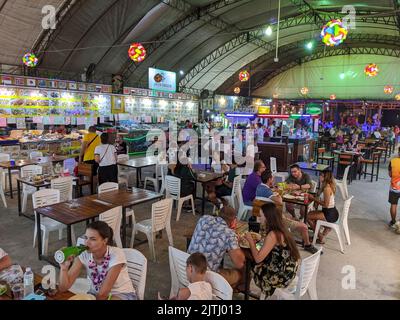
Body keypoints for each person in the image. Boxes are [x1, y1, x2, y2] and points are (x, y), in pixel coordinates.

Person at [58, 221, 137, 300]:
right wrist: (64, 268)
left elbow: (103, 294)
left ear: (105, 241)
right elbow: (63, 288)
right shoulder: (84, 254)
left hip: (120, 294)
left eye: (93, 239)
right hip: (95, 294)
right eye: (86, 237)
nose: (87, 242)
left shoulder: (116, 254)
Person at [243, 202, 300, 298]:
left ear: (268, 217)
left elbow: (258, 259)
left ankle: (253, 289)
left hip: (281, 275)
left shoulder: (273, 234)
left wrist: (250, 241)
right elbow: (272, 247)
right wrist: (260, 241)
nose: (259, 219)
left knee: (251, 262)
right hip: (289, 269)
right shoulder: (281, 227)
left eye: (261, 216)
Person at [256, 171, 318, 254]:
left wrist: (273, 190)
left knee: (290, 216)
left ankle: (290, 232)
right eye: (273, 178)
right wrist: (278, 195)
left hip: (263, 217)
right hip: (275, 219)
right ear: (269, 179)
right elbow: (280, 201)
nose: (274, 179)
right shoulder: (267, 191)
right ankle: (307, 245)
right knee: (304, 226)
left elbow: (269, 193)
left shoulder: (259, 187)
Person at [188, 206, 246, 289]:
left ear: (219, 214)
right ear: (234, 221)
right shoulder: (229, 233)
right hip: (204, 277)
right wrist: (234, 238)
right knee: (241, 273)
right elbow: (239, 263)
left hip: (187, 268)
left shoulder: (204, 218)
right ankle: (222, 293)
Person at [307, 169, 339, 244]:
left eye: (321, 175)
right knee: (312, 214)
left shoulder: (327, 189)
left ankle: (320, 237)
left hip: (329, 213)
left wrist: (313, 198)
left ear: (325, 177)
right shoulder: (327, 185)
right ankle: (323, 231)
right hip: (330, 211)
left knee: (308, 216)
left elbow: (326, 204)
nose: (319, 177)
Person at [388, 147, 400, 229]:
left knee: (394, 204)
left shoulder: (393, 161)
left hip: (395, 187)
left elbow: (390, 174)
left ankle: (393, 222)